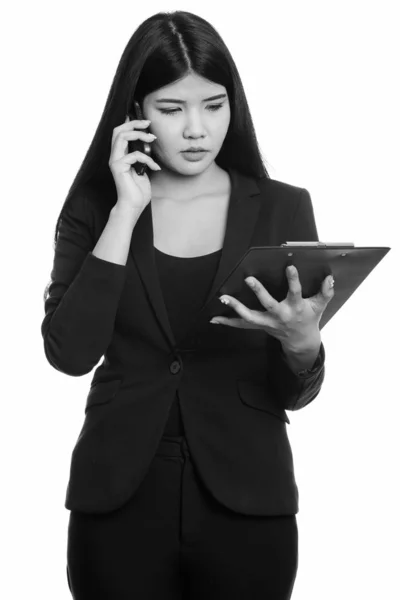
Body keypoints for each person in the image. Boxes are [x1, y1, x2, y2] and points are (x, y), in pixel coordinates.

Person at [41, 10, 334, 600]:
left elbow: (291, 392)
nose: (196, 129)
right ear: (135, 115)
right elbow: (70, 354)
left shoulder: (282, 209)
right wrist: (125, 209)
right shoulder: (94, 209)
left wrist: (304, 347)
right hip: (118, 496)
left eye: (215, 106)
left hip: (248, 499)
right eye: (172, 110)